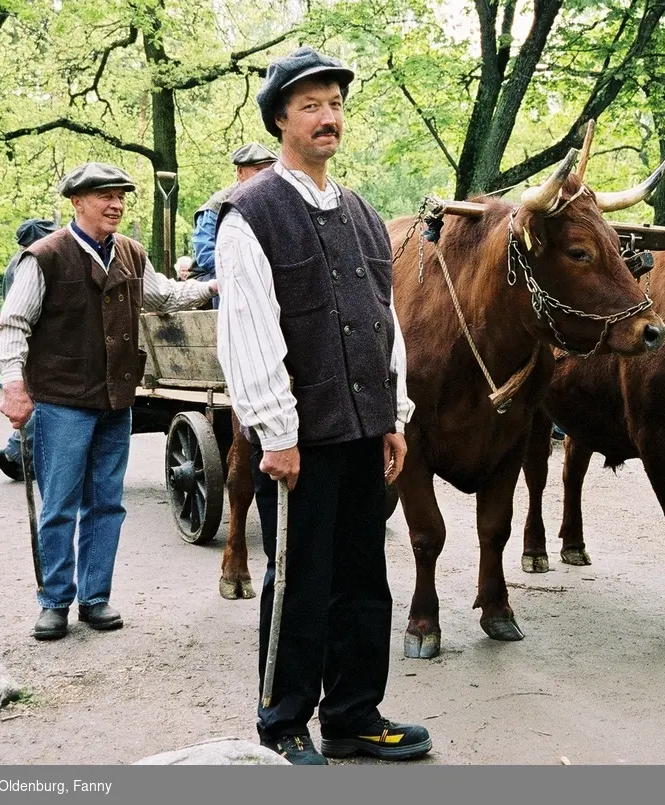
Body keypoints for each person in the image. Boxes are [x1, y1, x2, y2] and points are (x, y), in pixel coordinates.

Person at [215, 47, 429, 766]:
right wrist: (276, 432)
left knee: (365, 578)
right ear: (281, 119)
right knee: (301, 581)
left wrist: (394, 416)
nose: (328, 117)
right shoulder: (250, 214)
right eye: (311, 105)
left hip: (366, 431)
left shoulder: (365, 215)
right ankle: (282, 722)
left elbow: (384, 320)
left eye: (335, 103)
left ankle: (353, 715)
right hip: (297, 439)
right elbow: (248, 330)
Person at [0, 162, 217, 641]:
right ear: (77, 203)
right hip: (62, 401)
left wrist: (214, 287)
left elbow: (163, 298)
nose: (116, 204)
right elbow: (14, 325)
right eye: (105, 197)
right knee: (59, 504)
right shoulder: (45, 256)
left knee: (107, 504)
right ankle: (54, 601)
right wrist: (14, 385)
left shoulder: (132, 254)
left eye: (120, 196)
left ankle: (96, 598)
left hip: (117, 400)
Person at [0, 220, 58, 482]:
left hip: (31, 342)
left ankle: (17, 453)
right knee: (44, 401)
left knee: (42, 401)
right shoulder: (29, 263)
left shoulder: (20, 261)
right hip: (33, 343)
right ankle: (13, 454)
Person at [193, 142, 277, 308]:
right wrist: (247, 266)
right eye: (258, 170)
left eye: (268, 171)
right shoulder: (217, 206)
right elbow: (205, 255)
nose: (264, 177)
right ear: (240, 172)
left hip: (265, 276)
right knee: (228, 281)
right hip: (218, 279)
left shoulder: (274, 203)